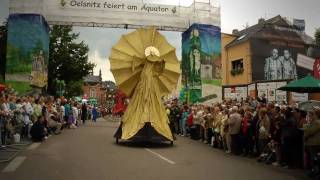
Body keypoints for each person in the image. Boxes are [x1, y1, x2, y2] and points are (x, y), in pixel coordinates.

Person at [304, 108, 320, 172]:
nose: (312, 116)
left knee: (314, 159)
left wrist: (307, 125)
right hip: (316, 143)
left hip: (314, 143)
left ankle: (315, 171)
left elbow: (309, 132)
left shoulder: (317, 122)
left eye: (313, 114)